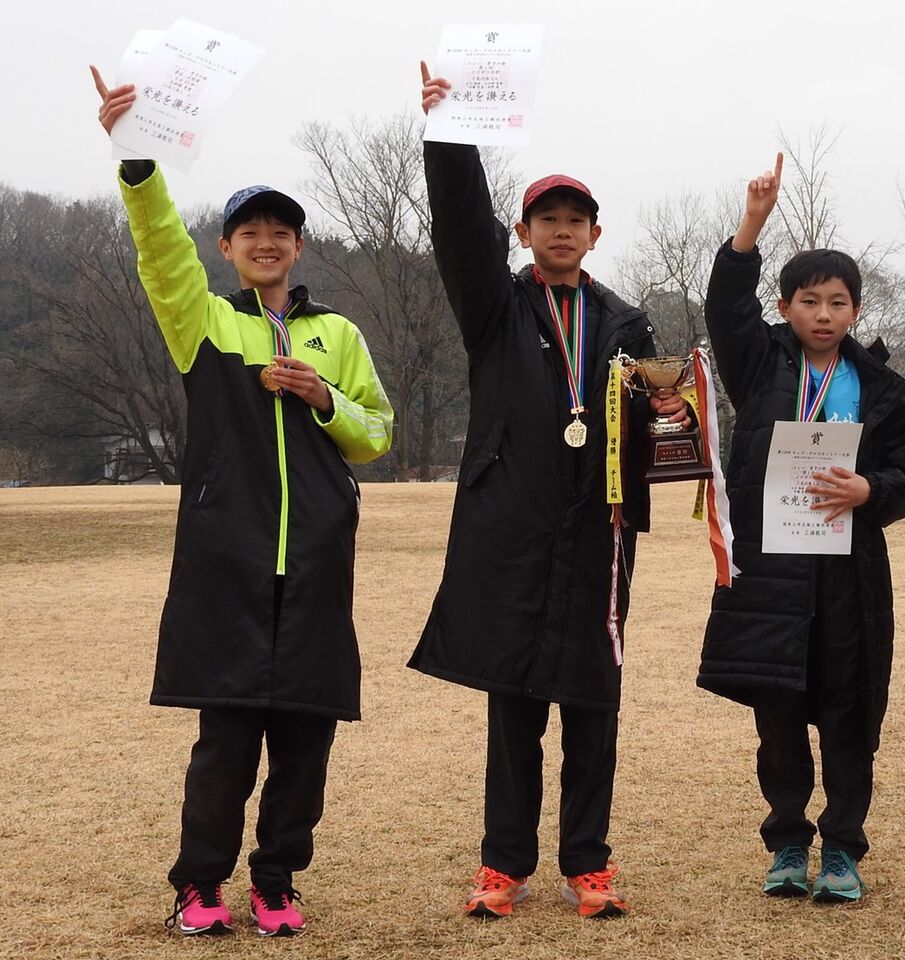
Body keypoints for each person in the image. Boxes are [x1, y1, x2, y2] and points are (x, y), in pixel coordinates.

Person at [91, 66, 393, 937]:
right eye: (250, 231)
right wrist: (137, 161)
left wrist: (324, 398)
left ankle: (277, 882)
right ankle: (199, 884)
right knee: (225, 741)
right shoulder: (206, 325)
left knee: (306, 739)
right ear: (226, 248)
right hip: (228, 565)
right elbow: (161, 254)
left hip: (317, 566)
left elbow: (377, 433)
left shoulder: (338, 334)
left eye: (281, 231)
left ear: (299, 247)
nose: (266, 241)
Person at [407, 62, 689, 920]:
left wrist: (669, 412)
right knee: (515, 702)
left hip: (599, 530)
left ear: (595, 235)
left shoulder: (627, 322)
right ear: (525, 232)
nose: (561, 231)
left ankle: (588, 863)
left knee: (594, 703)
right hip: (513, 526)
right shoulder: (495, 307)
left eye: (575, 220)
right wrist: (450, 135)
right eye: (547, 219)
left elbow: (647, 422)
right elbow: (461, 227)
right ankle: (504, 864)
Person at [697, 154, 905, 903]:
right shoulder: (759, 366)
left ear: (855, 310)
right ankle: (789, 843)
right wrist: (751, 225)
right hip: (772, 572)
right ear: (786, 307)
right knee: (781, 718)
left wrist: (870, 489)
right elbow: (727, 308)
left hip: (850, 575)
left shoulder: (882, 389)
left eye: (837, 301)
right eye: (808, 301)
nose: (823, 314)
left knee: (850, 716)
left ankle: (844, 850)